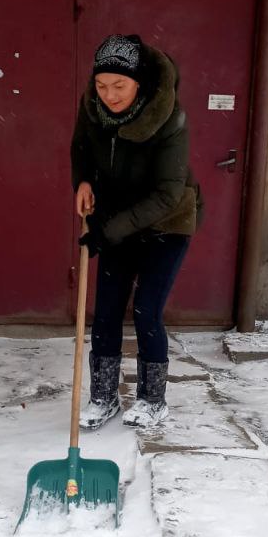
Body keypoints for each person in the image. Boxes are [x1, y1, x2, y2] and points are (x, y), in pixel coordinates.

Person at [71, 33, 202, 430]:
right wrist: (83, 181)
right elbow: (80, 147)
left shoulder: (169, 120)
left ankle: (152, 400)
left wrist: (107, 232)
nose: (108, 95)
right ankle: (104, 397)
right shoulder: (93, 108)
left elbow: (167, 195)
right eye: (101, 84)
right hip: (116, 218)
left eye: (119, 86)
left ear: (139, 83)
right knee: (107, 310)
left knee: (146, 309)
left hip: (167, 222)